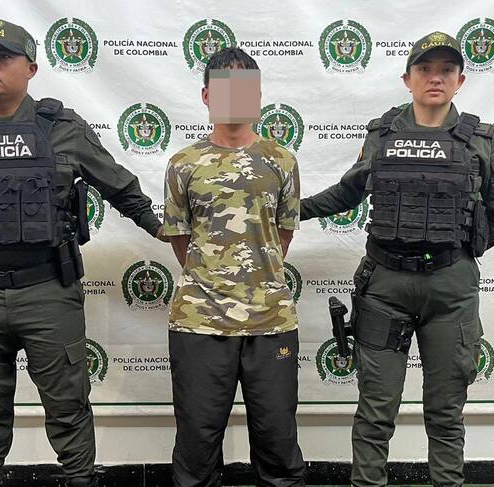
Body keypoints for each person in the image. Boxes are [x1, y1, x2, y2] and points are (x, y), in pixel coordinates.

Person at [0, 19, 166, 487]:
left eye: (3, 56)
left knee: (67, 407)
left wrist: (161, 229)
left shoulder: (62, 129)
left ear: (32, 68)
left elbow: (119, 186)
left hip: (47, 293)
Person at [300, 32, 494, 487]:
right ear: (407, 79)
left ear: (460, 80)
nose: (435, 78)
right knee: (376, 410)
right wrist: (292, 208)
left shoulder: (481, 140)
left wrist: (458, 244)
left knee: (445, 412)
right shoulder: (382, 134)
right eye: (424, 69)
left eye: (446, 70)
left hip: (451, 292)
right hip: (386, 288)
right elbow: (348, 192)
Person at [163, 47, 306, 487]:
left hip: (270, 320)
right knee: (197, 445)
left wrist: (255, 276)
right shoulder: (183, 164)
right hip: (199, 321)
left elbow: (281, 237)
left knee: (278, 442)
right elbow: (181, 239)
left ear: (257, 97)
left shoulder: (282, 161)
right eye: (224, 89)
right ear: (207, 96)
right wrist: (213, 276)